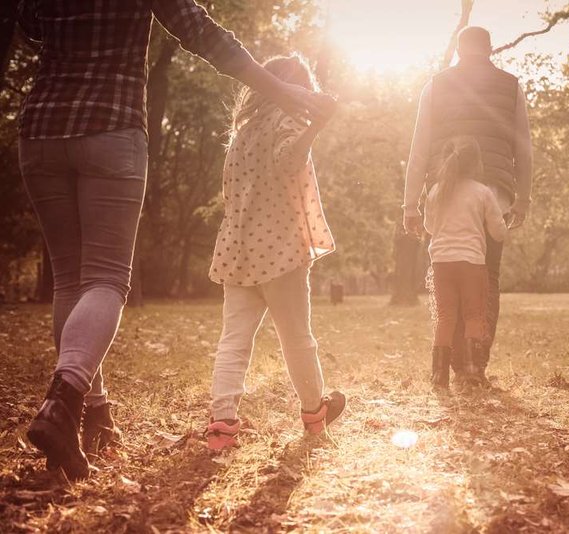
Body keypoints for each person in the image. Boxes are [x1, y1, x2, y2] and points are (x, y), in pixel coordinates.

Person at [17, 0, 329, 481]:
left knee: (69, 281)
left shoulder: (241, 135)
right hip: (110, 126)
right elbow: (197, 30)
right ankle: (64, 402)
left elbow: (29, 26)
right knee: (103, 278)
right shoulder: (281, 126)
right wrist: (289, 98)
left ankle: (91, 413)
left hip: (40, 128)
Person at [205, 56, 345, 451]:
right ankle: (315, 416)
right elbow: (288, 159)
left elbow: (230, 194)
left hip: (238, 250)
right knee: (297, 338)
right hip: (280, 249)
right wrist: (316, 125)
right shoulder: (287, 122)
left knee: (233, 340)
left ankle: (221, 427)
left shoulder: (241, 134)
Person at [403, 26, 533, 386]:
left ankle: (453, 363)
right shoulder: (511, 86)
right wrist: (523, 196)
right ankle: (476, 364)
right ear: (490, 50)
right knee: (485, 278)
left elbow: (418, 150)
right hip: (497, 192)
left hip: (444, 194)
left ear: (460, 50)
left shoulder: (435, 85)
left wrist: (410, 204)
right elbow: (523, 149)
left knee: (449, 274)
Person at [424, 136, 507, 389]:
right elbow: (498, 232)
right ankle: (471, 372)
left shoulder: (436, 191)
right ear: (476, 164)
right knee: (473, 316)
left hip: (441, 262)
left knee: (446, 317)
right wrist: (507, 222)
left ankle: (439, 376)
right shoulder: (482, 192)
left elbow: (428, 226)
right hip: (471, 262)